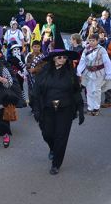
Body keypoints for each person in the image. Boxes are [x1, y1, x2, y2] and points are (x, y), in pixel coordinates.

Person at [32, 36, 84, 175]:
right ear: (54, 58)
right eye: (60, 57)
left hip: (65, 109)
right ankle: (53, 148)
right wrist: (36, 109)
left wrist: (80, 109)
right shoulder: (44, 73)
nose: (62, 59)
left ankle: (56, 163)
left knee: (61, 136)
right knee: (47, 133)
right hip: (47, 108)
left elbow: (76, 92)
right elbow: (36, 92)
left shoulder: (71, 74)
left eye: (65, 57)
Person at [77, 34, 111, 116]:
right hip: (88, 72)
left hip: (99, 73)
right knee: (89, 90)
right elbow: (82, 61)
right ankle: (90, 108)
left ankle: (96, 108)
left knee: (96, 91)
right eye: (90, 40)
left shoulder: (102, 50)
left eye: (93, 40)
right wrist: (79, 71)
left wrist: (108, 73)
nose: (91, 42)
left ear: (97, 41)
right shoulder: (86, 49)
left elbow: (107, 62)